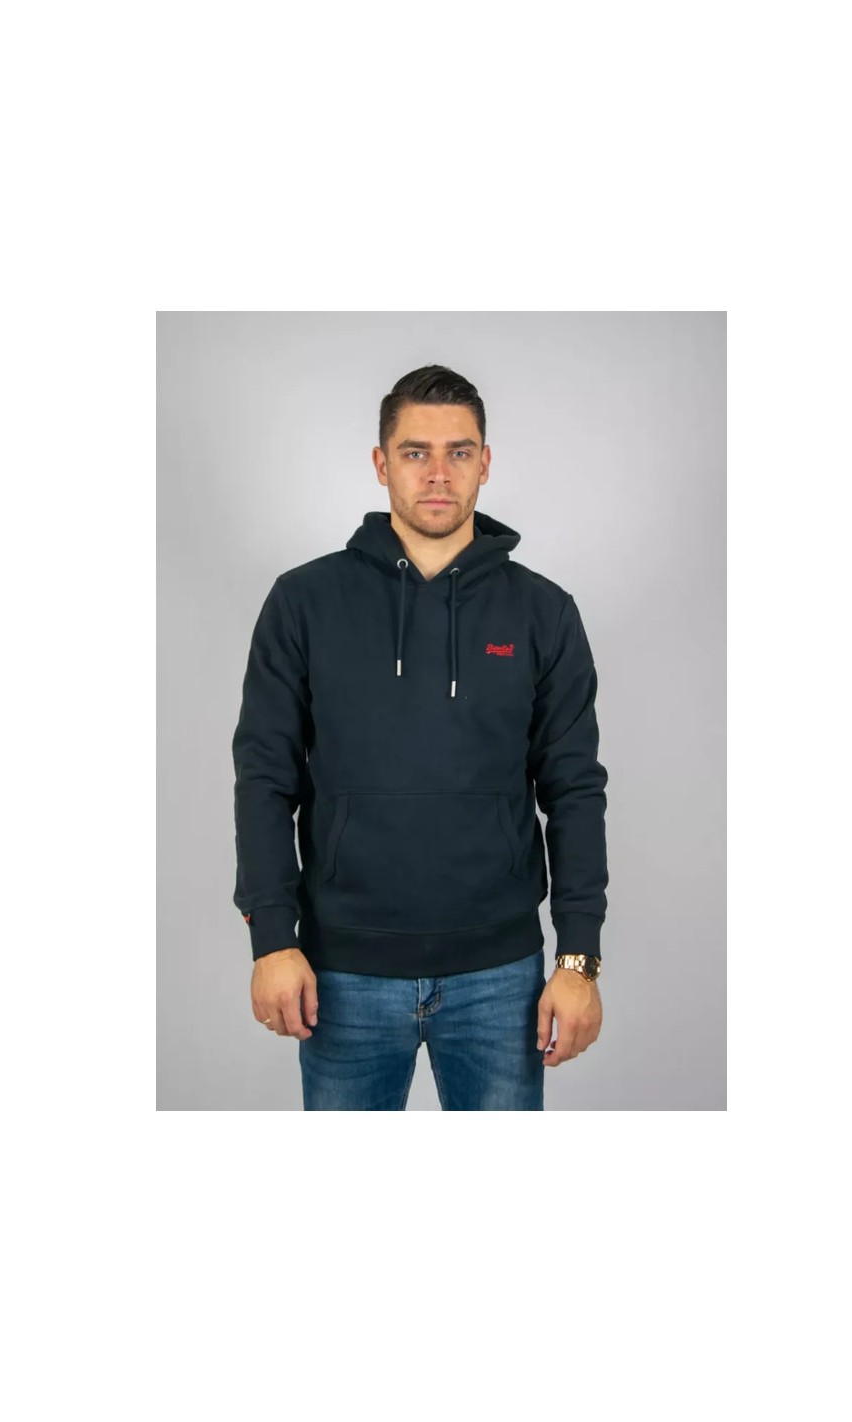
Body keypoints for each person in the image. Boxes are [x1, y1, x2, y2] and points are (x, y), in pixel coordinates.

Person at [231, 364, 609, 1110]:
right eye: (415, 452)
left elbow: (574, 789)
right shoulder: (304, 602)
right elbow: (265, 777)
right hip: (343, 974)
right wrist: (273, 937)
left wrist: (579, 957)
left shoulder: (543, 612)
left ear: (485, 463)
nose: (439, 473)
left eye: (459, 452)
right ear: (382, 464)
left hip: (500, 975)